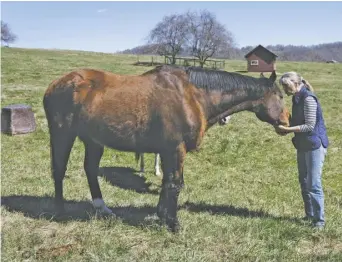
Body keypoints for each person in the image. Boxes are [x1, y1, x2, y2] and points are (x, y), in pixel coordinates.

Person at [275, 72, 329, 229]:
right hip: (302, 144)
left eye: (286, 86)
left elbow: (309, 126)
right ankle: (309, 215)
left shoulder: (308, 99)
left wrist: (288, 128)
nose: (284, 89)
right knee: (304, 182)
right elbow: (300, 121)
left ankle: (319, 221)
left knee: (313, 184)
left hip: (314, 145)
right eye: (283, 86)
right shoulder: (296, 98)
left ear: (296, 83)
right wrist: (284, 125)